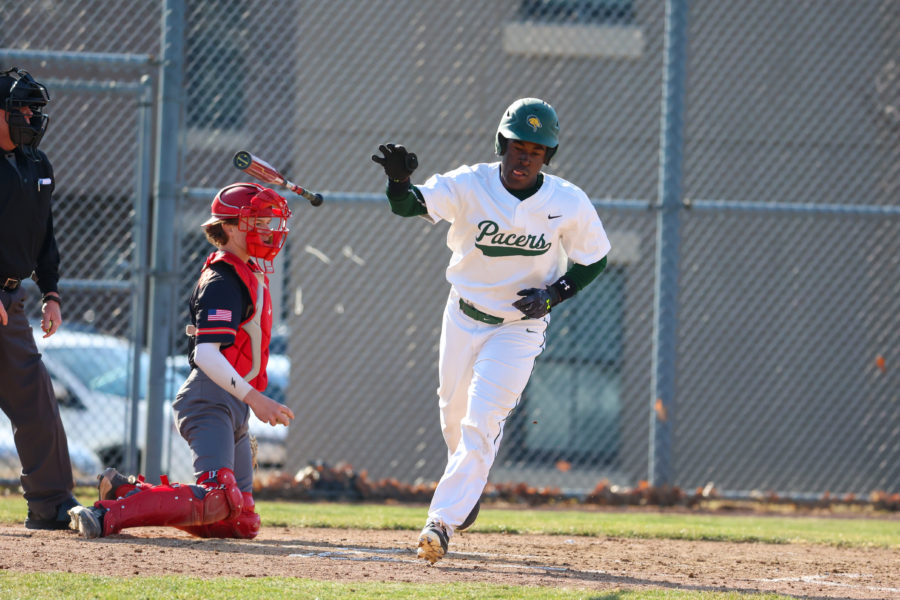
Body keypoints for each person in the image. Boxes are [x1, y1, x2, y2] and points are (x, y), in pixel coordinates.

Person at [372, 98, 611, 564]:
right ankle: (469, 487)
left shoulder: (566, 200)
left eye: (536, 151)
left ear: (548, 157)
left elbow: (595, 258)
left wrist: (555, 294)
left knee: (482, 421)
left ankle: (439, 523)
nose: (525, 158)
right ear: (502, 144)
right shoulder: (470, 183)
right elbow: (409, 207)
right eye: (517, 146)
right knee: (453, 420)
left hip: (519, 328)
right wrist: (398, 182)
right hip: (463, 316)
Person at [69, 182, 296, 539]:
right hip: (208, 400)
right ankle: (105, 515)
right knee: (218, 498)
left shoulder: (250, 271)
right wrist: (255, 398)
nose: (268, 230)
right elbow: (206, 354)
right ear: (232, 226)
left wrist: (245, 403)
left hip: (232, 402)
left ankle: (127, 492)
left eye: (270, 222)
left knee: (239, 520)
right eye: (259, 222)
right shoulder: (222, 279)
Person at [0, 66, 82, 530]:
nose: (30, 115)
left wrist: (50, 291)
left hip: (11, 304)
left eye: (34, 108)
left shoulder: (37, 164)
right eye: (20, 108)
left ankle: (51, 504)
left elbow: (44, 235)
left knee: (36, 400)